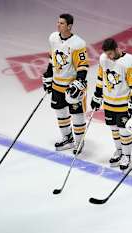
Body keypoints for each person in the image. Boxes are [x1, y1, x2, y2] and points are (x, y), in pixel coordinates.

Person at [90, 38, 132, 171]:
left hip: (124, 103)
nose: (108, 56)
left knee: (124, 131)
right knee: (114, 129)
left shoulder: (130, 62)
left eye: (110, 53)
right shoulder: (103, 59)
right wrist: (97, 95)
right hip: (109, 102)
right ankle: (119, 151)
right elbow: (100, 78)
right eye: (107, 54)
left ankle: (126, 155)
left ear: (117, 49)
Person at [42, 13, 89, 154]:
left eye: (61, 23)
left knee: (77, 114)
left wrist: (79, 82)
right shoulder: (53, 38)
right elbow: (52, 59)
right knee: (61, 113)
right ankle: (67, 139)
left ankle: (79, 142)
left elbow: (83, 65)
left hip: (71, 86)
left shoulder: (78, 43)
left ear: (69, 26)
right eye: (58, 22)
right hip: (57, 84)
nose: (58, 25)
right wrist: (49, 76)